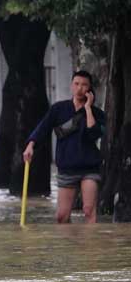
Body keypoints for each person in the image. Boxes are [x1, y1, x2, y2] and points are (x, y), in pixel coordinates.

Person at [23, 70, 106, 223]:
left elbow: (93, 134)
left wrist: (88, 108)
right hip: (67, 168)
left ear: (89, 89)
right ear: (71, 86)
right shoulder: (58, 109)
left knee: (88, 211)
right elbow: (43, 128)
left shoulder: (97, 113)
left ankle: (92, 245)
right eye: (76, 84)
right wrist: (31, 145)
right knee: (62, 216)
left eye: (84, 85)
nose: (80, 88)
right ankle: (70, 245)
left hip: (89, 169)